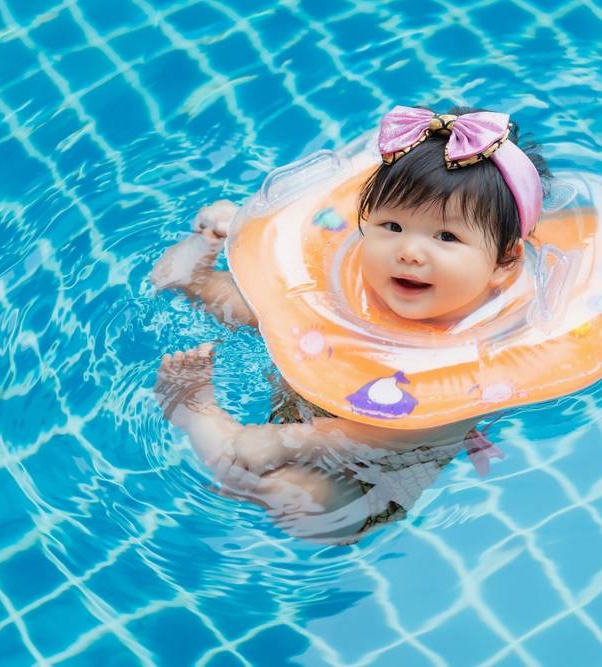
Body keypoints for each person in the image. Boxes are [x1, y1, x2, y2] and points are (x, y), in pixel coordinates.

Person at [152, 105, 550, 543]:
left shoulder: (489, 346)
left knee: (316, 512)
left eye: (446, 237)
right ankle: (196, 269)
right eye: (393, 225)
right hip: (305, 386)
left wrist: (281, 443)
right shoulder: (351, 286)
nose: (410, 252)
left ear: (503, 260)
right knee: (263, 303)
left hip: (369, 471)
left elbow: (385, 436)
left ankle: (198, 417)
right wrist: (244, 236)